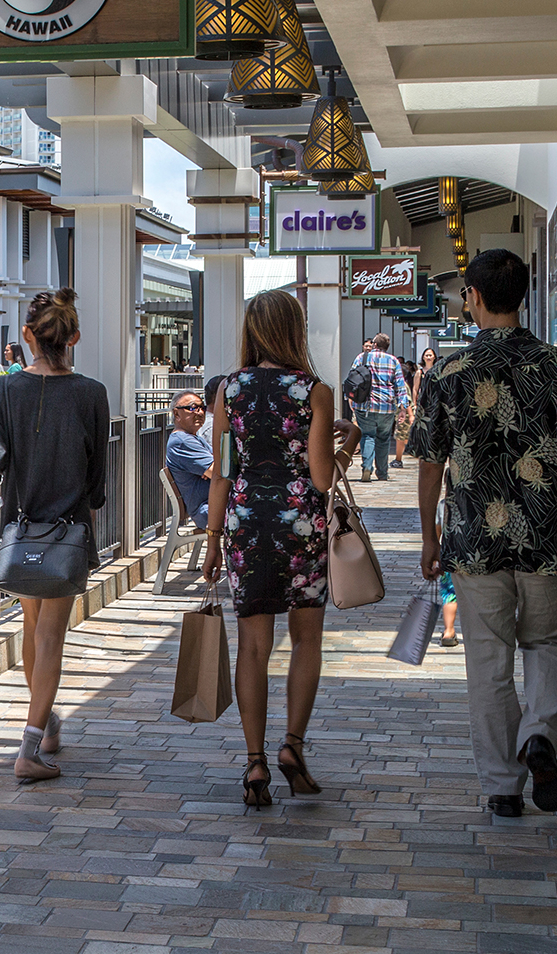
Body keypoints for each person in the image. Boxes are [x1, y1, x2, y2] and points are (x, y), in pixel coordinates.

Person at [415, 247, 557, 818]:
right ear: (524, 296)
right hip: (550, 539)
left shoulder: (448, 374)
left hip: (474, 542)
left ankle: (502, 787)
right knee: (548, 644)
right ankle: (538, 734)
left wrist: (429, 538)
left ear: (476, 297)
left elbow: (429, 463)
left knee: (487, 663)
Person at [0, 289, 107, 783]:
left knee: (31, 630)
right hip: (67, 532)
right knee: (52, 636)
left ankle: (43, 727)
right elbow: (97, 481)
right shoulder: (91, 393)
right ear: (75, 338)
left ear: (27, 336)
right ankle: (30, 744)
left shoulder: (2, 391)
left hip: (20, 531)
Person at [203, 289, 337, 808]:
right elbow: (322, 477)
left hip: (244, 525)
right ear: (294, 331)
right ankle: (292, 747)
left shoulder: (228, 390)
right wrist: (341, 445)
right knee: (306, 639)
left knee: (253, 646)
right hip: (300, 526)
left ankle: (255, 761)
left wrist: (213, 540)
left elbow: (222, 473)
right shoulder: (314, 392)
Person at [349, 332, 410, 482]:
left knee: (367, 435)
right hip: (387, 407)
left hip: (365, 405)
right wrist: (403, 407)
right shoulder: (393, 361)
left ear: (374, 345)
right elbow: (400, 385)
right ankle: (382, 472)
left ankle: (367, 467)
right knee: (383, 439)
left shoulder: (362, 357)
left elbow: (352, 378)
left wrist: (350, 398)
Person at [164, 389, 212, 527]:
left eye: (202, 408)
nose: (199, 412)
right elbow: (218, 471)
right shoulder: (182, 441)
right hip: (207, 510)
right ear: (176, 414)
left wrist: (210, 470)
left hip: (214, 505)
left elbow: (218, 466)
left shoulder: (193, 438)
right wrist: (210, 471)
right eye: (192, 408)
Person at [398, 348, 437, 468]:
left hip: (435, 403)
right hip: (422, 403)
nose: (429, 357)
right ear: (423, 357)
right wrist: (414, 404)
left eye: (430, 355)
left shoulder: (438, 370)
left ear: (434, 357)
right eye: (427, 355)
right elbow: (415, 389)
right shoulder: (419, 372)